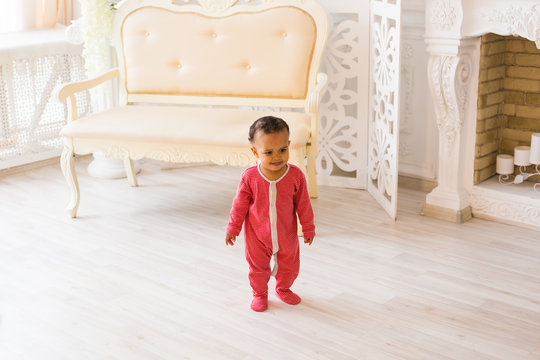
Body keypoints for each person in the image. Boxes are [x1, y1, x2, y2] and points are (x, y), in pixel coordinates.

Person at [225, 116, 315, 312]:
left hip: (286, 234)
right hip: (257, 235)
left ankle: (283, 288)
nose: (277, 157)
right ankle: (260, 293)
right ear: (255, 151)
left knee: (290, 265)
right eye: (268, 152)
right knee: (257, 267)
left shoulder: (295, 176)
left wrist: (307, 227)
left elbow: (304, 204)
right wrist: (233, 228)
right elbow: (239, 205)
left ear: (289, 145)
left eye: (282, 150)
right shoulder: (249, 177)